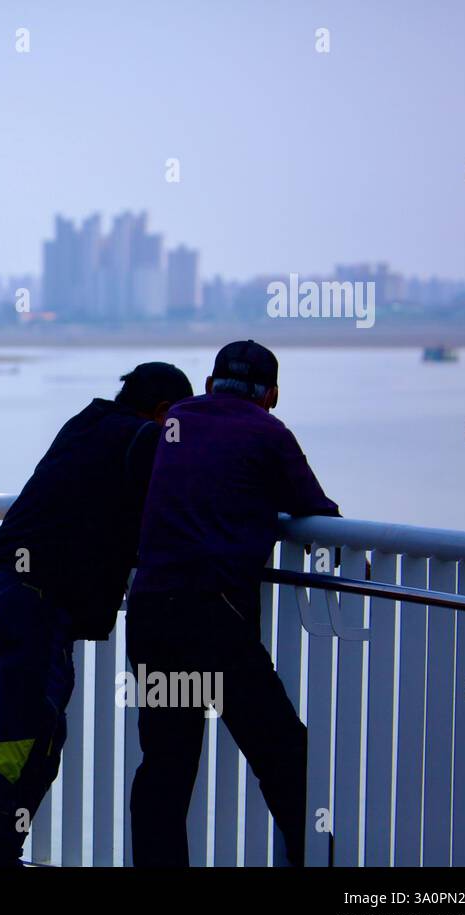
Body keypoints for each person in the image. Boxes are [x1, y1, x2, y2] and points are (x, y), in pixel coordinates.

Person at [0, 361, 195, 866]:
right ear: (164, 411)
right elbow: (165, 510)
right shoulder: (142, 439)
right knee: (15, 746)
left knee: (39, 740)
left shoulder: (86, 424)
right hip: (33, 601)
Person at [126, 340, 339, 867]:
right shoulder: (267, 432)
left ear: (207, 385)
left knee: (166, 765)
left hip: (152, 612)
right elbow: (317, 513)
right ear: (272, 394)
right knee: (285, 755)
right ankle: (316, 863)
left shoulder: (171, 422)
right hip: (215, 621)